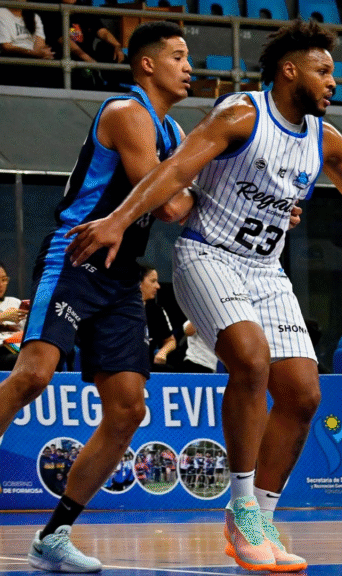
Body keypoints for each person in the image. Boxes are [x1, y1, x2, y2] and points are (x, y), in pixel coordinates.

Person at [63, 19, 342, 573]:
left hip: (266, 271)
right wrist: (119, 219)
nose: (333, 82)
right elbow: (176, 170)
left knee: (303, 394)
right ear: (289, 71)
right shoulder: (241, 115)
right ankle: (241, 508)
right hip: (208, 255)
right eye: (323, 71)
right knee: (249, 357)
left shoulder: (325, 139)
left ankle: (263, 517)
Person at [0, 21, 194, 574]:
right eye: (178, 56)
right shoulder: (126, 113)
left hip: (120, 276)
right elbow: (170, 205)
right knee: (33, 376)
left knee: (129, 409)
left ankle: (53, 536)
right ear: (147, 64)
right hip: (75, 258)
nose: (189, 67)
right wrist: (192, 191)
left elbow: (187, 194)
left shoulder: (174, 131)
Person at [0, 0, 58, 87]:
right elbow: (6, 47)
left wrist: (44, 53)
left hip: (32, 58)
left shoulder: (34, 16)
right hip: (11, 58)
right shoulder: (2, 13)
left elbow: (40, 45)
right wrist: (33, 53)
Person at [141, 264, 176, 371]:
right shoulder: (120, 310)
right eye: (153, 281)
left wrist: (162, 352)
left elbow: (170, 341)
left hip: (148, 369)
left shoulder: (157, 311)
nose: (158, 286)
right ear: (138, 283)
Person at [0, 261, 28, 370]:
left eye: (4, 280)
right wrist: (3, 317)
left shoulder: (14, 302)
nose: (1, 285)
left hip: (16, 347)